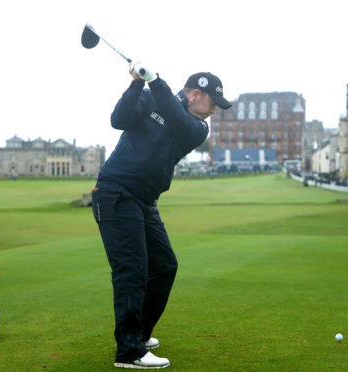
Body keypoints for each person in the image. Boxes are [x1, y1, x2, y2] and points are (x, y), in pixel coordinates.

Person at [91, 62, 231, 369]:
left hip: (144, 201)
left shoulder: (197, 128)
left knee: (165, 266)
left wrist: (155, 81)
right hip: (115, 192)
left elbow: (177, 119)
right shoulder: (154, 96)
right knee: (132, 270)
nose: (214, 111)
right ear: (196, 93)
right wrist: (137, 85)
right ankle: (128, 351)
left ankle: (139, 333)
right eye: (213, 103)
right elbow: (119, 119)